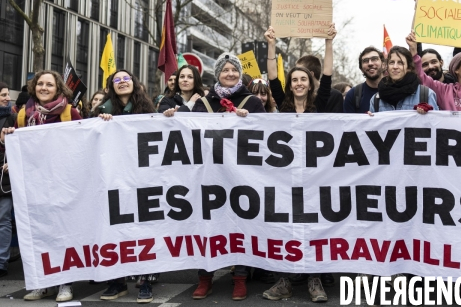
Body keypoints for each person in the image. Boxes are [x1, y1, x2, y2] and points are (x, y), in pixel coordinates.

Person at [163, 53, 263, 301]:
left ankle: (239, 278)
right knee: (207, 224)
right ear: (217, 74)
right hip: (209, 176)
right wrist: (172, 118)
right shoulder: (204, 103)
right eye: (225, 70)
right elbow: (188, 134)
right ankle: (204, 277)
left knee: (239, 225)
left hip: (241, 177)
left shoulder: (252, 102)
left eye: (234, 70)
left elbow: (265, 132)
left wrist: (249, 121)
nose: (230, 74)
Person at [263, 24, 336, 303]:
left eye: (303, 79)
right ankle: (284, 281)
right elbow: (272, 79)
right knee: (287, 227)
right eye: (294, 80)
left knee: (313, 227)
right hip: (286, 179)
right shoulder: (282, 105)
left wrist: (329, 43)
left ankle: (314, 281)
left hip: (316, 179)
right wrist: (271, 45)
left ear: (310, 82)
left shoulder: (322, 103)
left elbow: (328, 74)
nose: (298, 84)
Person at [1, 71, 81, 302]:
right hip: (35, 185)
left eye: (50, 84)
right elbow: (20, 146)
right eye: (40, 84)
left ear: (58, 89)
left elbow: (83, 143)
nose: (44, 88)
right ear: (34, 87)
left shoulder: (69, 112)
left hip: (64, 182)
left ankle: (66, 283)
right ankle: (42, 282)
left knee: (63, 232)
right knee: (39, 233)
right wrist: (10, 137)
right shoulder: (24, 114)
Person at [95, 70, 156, 303]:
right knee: (114, 229)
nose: (122, 82)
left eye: (126, 79)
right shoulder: (101, 112)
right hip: (113, 180)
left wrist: (168, 117)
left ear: (133, 83)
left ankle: (145, 282)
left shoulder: (147, 110)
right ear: (111, 85)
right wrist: (101, 123)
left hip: (141, 180)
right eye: (117, 80)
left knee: (144, 230)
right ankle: (116, 282)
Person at [367, 46, 438, 113]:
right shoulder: (376, 100)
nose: (395, 67)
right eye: (392, 62)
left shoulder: (426, 95)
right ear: (387, 66)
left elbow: (435, 123)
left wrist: (429, 114)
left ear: (409, 67)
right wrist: (370, 119)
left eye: (400, 63)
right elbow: (372, 125)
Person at [0, 83, 15, 278]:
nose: (6, 98)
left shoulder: (13, 118)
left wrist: (11, 161)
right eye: (2, 95)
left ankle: (1, 261)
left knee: (3, 220)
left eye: (7, 95)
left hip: (5, 179)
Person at [344, 46, 385, 113]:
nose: (370, 63)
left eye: (374, 59)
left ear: (383, 64)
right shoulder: (352, 95)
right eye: (365, 61)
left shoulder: (396, 91)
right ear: (361, 69)